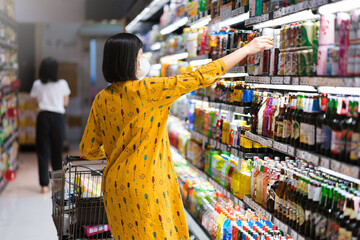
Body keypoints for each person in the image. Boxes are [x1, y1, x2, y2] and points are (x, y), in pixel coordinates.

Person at [80, 33, 273, 240]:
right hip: (147, 186)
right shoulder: (151, 90)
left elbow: (88, 150)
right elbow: (200, 76)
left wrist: (117, 150)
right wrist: (245, 50)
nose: (142, 60)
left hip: (115, 187)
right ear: (131, 61)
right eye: (140, 55)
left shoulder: (101, 98)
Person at [30, 57, 71, 193]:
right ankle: (58, 184)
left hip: (43, 117)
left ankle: (44, 185)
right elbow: (65, 103)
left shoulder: (37, 84)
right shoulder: (63, 84)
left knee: (43, 152)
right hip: (58, 118)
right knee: (57, 151)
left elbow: (35, 103)